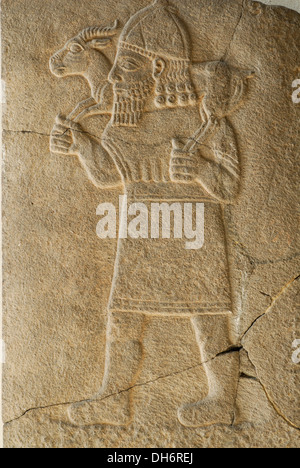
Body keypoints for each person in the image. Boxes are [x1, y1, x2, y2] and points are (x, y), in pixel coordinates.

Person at [50, 0, 249, 427]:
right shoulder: (127, 120)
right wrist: (81, 144)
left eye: (128, 64)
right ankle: (114, 400)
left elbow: (229, 187)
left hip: (194, 231)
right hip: (142, 230)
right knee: (123, 314)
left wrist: (199, 169)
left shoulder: (207, 115)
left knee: (208, 317)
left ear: (159, 68)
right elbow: (106, 174)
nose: (117, 75)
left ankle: (223, 399)